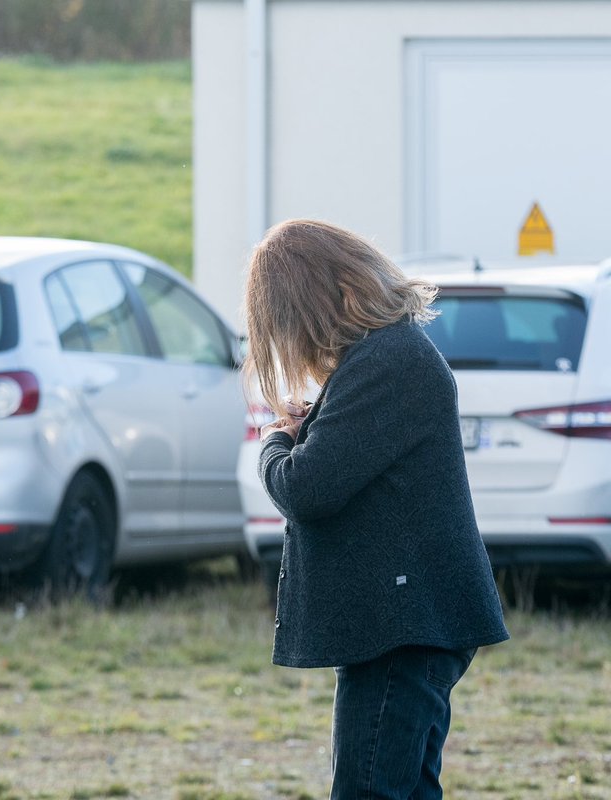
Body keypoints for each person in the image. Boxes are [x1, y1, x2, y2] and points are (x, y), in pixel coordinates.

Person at [243, 219, 509, 799]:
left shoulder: (388, 360)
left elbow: (307, 488)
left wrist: (276, 441)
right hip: (404, 621)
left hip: (402, 626)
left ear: (315, 303)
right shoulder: (386, 355)